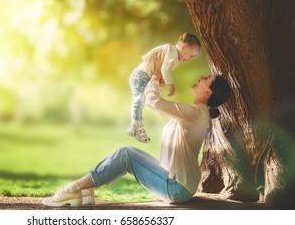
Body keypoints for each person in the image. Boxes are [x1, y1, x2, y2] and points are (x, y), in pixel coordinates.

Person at [42, 51, 231, 207]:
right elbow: (161, 108)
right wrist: (156, 82)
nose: (200, 77)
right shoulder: (195, 113)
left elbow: (154, 102)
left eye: (206, 78)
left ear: (209, 92)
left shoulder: (197, 113)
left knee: (126, 155)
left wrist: (155, 75)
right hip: (178, 182)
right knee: (127, 153)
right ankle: (85, 191)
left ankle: (72, 189)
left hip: (177, 187)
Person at [127, 32, 201, 143]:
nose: (189, 59)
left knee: (141, 100)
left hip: (146, 77)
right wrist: (171, 85)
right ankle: (135, 127)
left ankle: (135, 126)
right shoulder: (171, 52)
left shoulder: (171, 54)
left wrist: (158, 79)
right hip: (141, 75)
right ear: (184, 47)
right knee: (139, 100)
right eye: (191, 55)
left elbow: (162, 70)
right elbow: (165, 69)